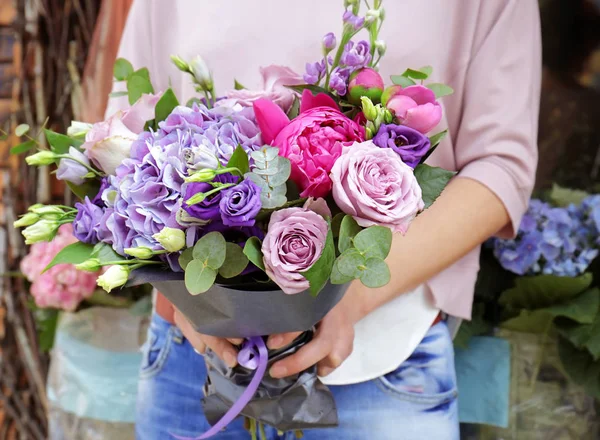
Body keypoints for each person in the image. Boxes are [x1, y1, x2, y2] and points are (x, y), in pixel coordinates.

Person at [107, 1, 541, 439]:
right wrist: (192, 300)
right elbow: (121, 138)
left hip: (379, 362)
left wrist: (348, 300)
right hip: (193, 359)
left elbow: (501, 166)